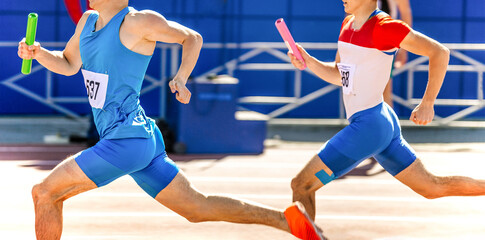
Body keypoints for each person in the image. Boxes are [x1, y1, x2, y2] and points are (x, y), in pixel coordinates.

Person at [18, 1, 325, 239]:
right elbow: (70, 63)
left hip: (126, 141)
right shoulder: (87, 21)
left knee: (44, 193)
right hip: (139, 141)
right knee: (197, 207)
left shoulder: (138, 22)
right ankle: (286, 220)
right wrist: (39, 53)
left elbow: (192, 38)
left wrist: (181, 77)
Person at [287, 0, 485, 221]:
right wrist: (309, 61)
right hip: (379, 120)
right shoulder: (347, 24)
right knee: (432, 187)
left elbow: (439, 52)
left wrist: (427, 103)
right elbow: (340, 76)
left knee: (301, 185)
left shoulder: (385, 27)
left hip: (369, 125)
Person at [379, 0, 413, 107]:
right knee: (359, 86)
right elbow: (351, 14)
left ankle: (388, 122)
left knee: (385, 87)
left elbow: (405, 13)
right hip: (363, 39)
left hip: (385, 40)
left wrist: (403, 49)